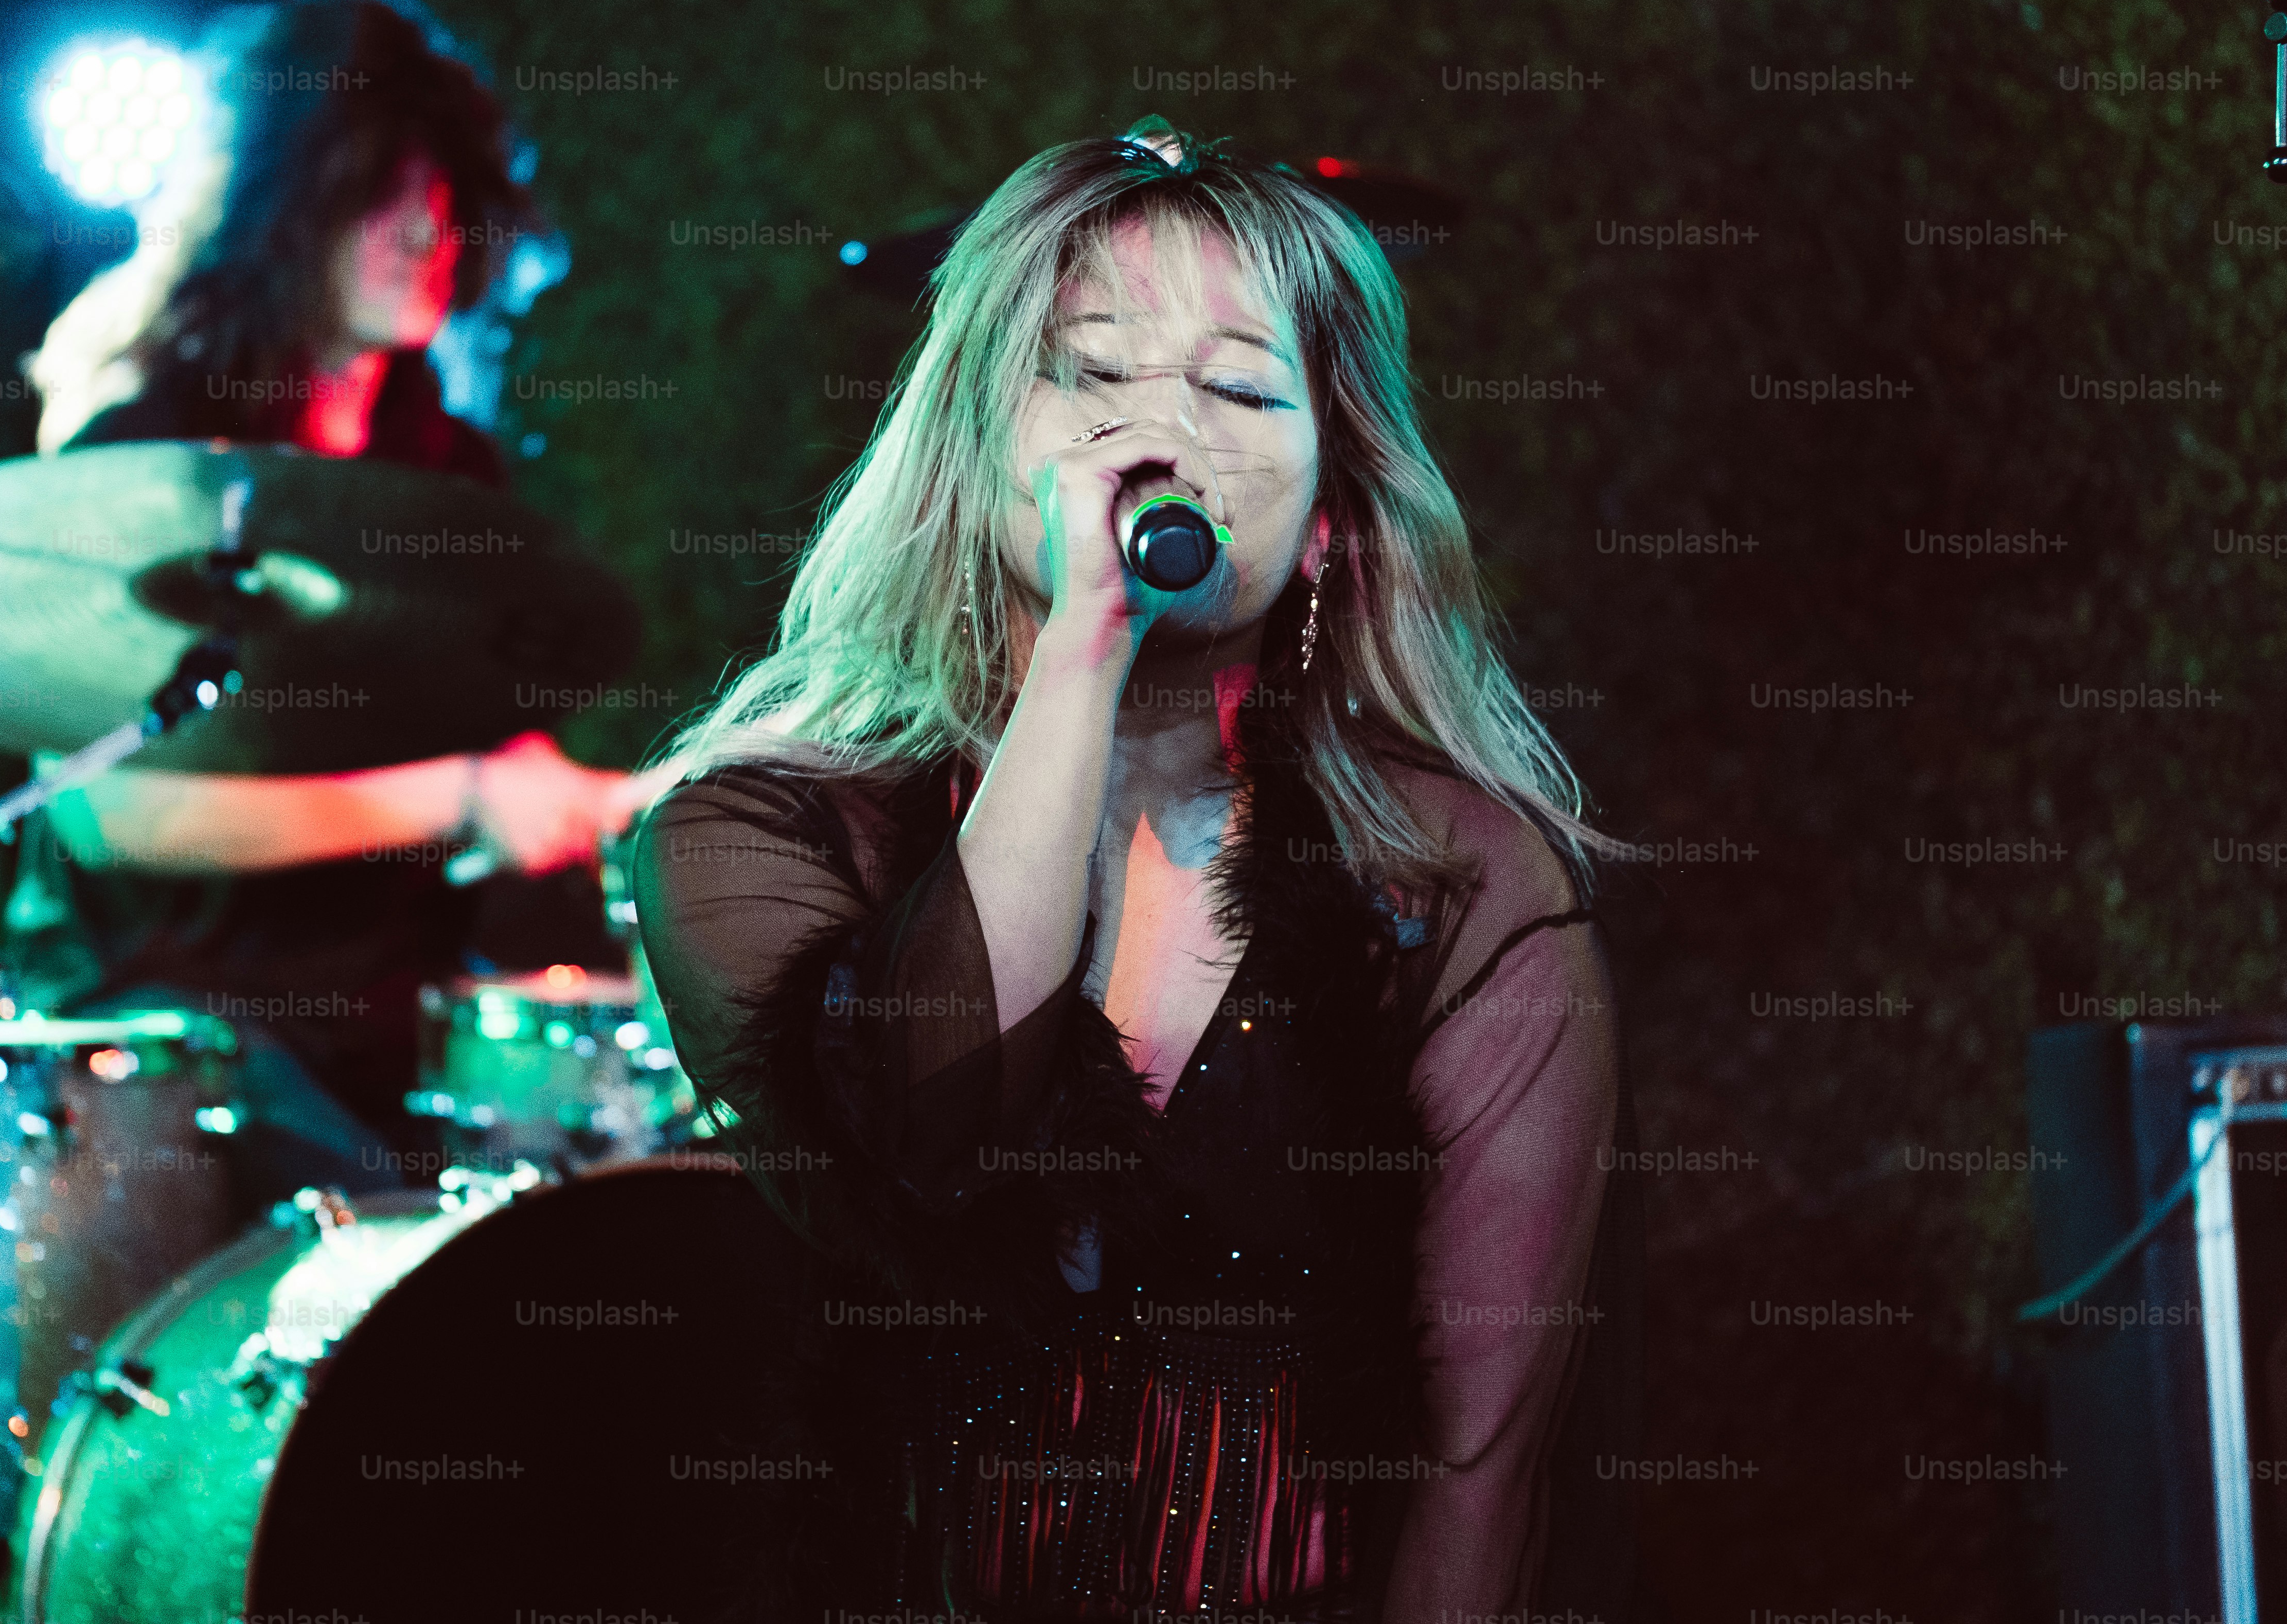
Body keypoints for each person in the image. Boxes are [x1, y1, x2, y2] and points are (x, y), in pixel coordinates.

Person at [633, 121, 1642, 1619]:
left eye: (1240, 387)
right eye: (1093, 374)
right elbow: (932, 1134)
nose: (1156, 430)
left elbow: (1481, 1454)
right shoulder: (757, 832)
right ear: (968, 454)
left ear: (1331, 530)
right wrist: (1084, 653)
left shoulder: (1458, 884)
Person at [19, 0, 658, 1204]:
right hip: (183, 1030)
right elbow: (119, 815)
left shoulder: (449, 471)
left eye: (442, 197)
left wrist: (575, 794)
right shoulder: (150, 460)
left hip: (399, 1022)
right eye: (380, 193)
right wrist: (461, 795)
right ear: (285, 208)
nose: (425, 231)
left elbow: (484, 738)